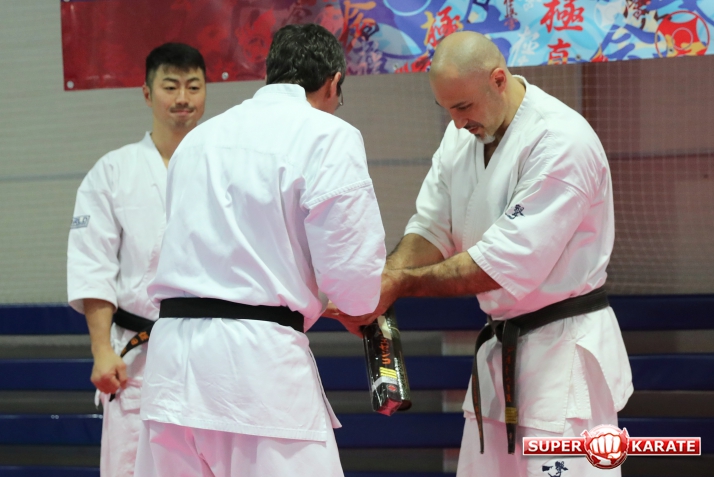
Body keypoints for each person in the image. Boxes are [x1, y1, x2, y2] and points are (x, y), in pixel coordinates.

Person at [346, 31, 633, 476]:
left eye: (463, 106)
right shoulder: (461, 136)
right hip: (500, 354)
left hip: (564, 356)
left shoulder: (561, 140)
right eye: (447, 109)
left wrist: (398, 284)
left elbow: (500, 265)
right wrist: (382, 282)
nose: (457, 122)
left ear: (499, 80)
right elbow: (432, 227)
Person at [133, 24, 385, 477]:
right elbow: (353, 278)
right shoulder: (328, 134)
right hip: (256, 374)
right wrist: (356, 306)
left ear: (271, 75)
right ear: (333, 84)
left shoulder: (198, 140)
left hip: (171, 370)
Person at [67, 43, 207, 477]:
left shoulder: (224, 165)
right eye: (170, 86)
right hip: (137, 355)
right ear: (147, 93)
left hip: (210, 348)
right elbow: (92, 266)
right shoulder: (113, 172)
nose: (182, 98)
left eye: (193, 86)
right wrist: (100, 349)